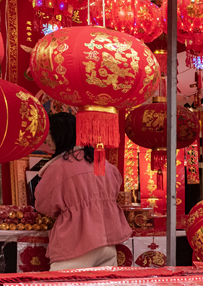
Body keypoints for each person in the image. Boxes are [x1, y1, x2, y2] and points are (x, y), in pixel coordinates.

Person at [33, 113, 131, 271]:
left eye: (49, 134)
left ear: (61, 134)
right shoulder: (103, 164)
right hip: (107, 240)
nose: (46, 139)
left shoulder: (59, 167)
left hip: (76, 242)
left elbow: (42, 204)